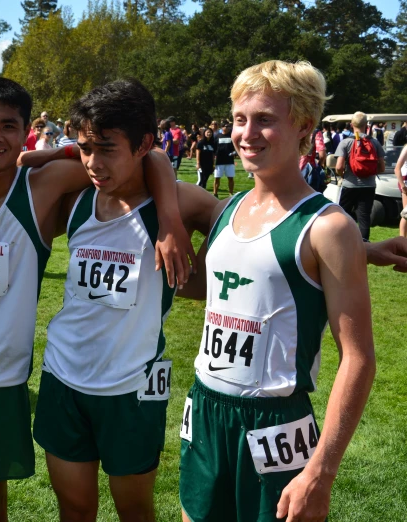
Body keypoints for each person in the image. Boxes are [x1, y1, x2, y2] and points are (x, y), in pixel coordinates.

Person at [0, 77, 194, 522]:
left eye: (9, 126)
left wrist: (168, 216)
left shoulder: (47, 185)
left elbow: (144, 158)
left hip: (0, 378)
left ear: (25, 130)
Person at [179, 60, 376, 522]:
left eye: (265, 119)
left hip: (276, 421)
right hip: (205, 409)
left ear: (303, 125)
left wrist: (321, 473)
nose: (247, 134)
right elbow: (207, 287)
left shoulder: (329, 228)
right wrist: (163, 233)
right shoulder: (226, 209)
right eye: (240, 119)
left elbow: (359, 357)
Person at [31, 78, 218, 522]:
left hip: (132, 386)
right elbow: (23, 163)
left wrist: (172, 221)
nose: (93, 163)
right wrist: (60, 151)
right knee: (74, 508)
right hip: (63, 376)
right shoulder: (77, 197)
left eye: (107, 149)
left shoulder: (178, 202)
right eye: (84, 147)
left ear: (143, 144)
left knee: (134, 509)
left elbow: (251, 226)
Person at [335, 111, 385, 241]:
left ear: (351, 124)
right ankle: (364, 248)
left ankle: (343, 242)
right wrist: (370, 173)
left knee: (343, 216)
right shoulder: (374, 143)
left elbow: (339, 166)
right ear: (366, 125)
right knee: (364, 217)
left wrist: (343, 175)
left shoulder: (345, 143)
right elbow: (382, 167)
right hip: (368, 186)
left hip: (349, 185)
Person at [213, 121, 236, 197]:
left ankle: (230, 193)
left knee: (230, 178)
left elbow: (235, 147)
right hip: (219, 161)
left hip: (229, 161)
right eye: (225, 126)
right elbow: (214, 148)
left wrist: (234, 153)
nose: (226, 128)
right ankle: (215, 193)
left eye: (228, 126)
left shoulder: (232, 136)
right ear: (222, 127)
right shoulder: (217, 136)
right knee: (217, 178)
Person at [395, 145, 407, 237]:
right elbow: (397, 168)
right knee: (406, 212)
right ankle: (402, 238)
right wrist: (402, 185)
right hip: (405, 181)